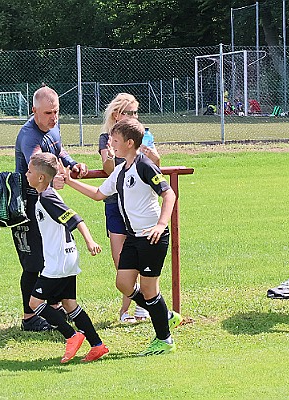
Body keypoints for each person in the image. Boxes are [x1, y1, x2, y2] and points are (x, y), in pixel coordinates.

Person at [64, 118, 182, 355]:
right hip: (134, 237)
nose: (111, 145)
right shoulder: (120, 170)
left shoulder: (145, 165)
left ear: (129, 143)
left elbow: (169, 195)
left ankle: (164, 340)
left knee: (149, 290)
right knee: (124, 284)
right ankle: (164, 315)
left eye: (115, 141)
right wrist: (69, 181)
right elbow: (99, 194)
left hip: (152, 237)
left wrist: (160, 225)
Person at [13, 85, 88, 331]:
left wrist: (72, 164)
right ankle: (29, 317)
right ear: (34, 110)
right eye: (47, 113)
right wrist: (56, 174)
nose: (53, 118)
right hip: (26, 207)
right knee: (33, 263)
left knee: (51, 258)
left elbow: (58, 149)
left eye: (55, 112)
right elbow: (37, 162)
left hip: (46, 205)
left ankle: (53, 309)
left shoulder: (53, 127)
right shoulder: (29, 135)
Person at [26, 153, 108, 363]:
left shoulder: (47, 198)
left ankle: (71, 335)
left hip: (58, 262)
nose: (26, 174)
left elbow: (76, 219)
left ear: (42, 177)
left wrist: (90, 241)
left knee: (35, 303)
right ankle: (97, 345)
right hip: (67, 259)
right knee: (70, 304)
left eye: (29, 171)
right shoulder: (47, 195)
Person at [99, 93, 160, 323]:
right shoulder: (106, 137)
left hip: (140, 206)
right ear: (117, 115)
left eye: (136, 112)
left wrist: (155, 157)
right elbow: (107, 171)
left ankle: (141, 308)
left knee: (147, 258)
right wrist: (109, 154)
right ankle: (130, 308)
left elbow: (155, 171)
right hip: (115, 205)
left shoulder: (142, 136)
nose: (135, 117)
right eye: (129, 113)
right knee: (121, 262)